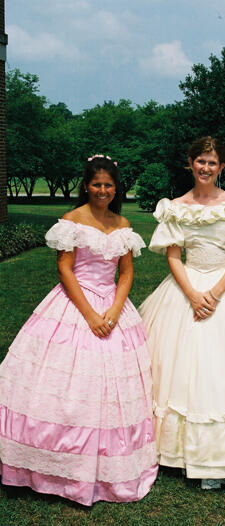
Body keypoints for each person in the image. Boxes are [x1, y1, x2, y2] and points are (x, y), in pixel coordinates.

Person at [0, 155, 158, 505]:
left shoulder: (123, 223)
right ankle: (52, 465)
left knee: (115, 389)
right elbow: (65, 270)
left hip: (113, 306)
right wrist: (89, 315)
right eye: (97, 184)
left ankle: (109, 463)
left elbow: (127, 273)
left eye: (109, 185)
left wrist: (114, 311)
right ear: (86, 185)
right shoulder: (70, 221)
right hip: (75, 304)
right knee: (66, 387)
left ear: (116, 188)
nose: (103, 190)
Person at [139, 137, 225, 490]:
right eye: (200, 161)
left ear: (222, 167)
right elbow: (173, 255)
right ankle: (174, 448)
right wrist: (193, 295)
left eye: (212, 163)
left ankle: (222, 451)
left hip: (224, 288)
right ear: (190, 162)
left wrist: (213, 293)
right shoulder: (175, 207)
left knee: (224, 369)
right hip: (184, 288)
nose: (206, 168)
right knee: (176, 366)